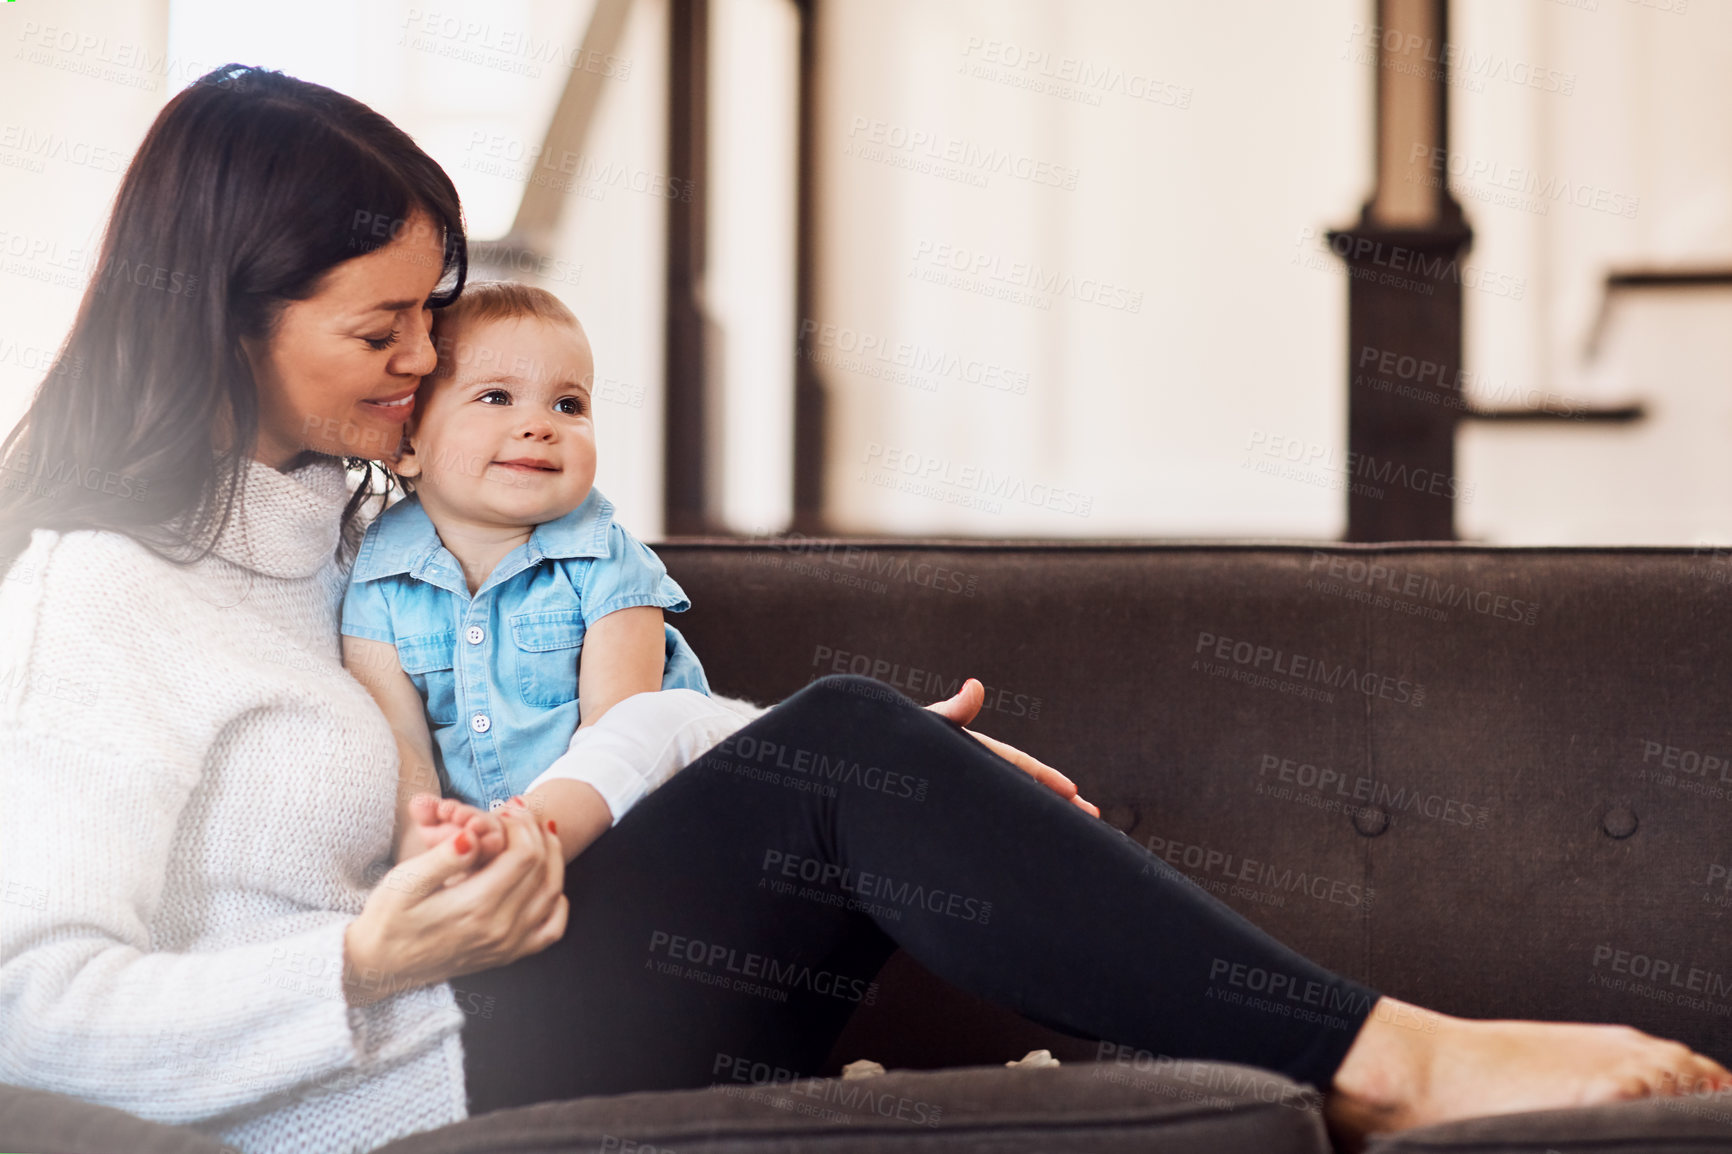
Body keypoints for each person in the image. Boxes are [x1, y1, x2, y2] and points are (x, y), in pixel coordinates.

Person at [0, 64, 1724, 1154]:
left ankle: (1350, 1046)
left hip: (477, 1014)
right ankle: (1397, 1053)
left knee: (853, 748)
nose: (419, 367)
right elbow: (31, 1004)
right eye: (381, 329)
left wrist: (913, 774)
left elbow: (575, 744)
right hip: (406, 1080)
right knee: (840, 750)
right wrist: (355, 962)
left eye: (427, 323)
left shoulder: (337, 549)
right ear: (227, 312)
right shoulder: (104, 592)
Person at [337, 280, 725, 865]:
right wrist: (424, 843)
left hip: (634, 835)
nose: (541, 425)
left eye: (569, 405)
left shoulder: (607, 559)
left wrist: (530, 839)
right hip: (490, 854)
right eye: (496, 397)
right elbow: (400, 744)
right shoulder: (377, 579)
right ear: (407, 444)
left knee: (801, 737)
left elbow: (618, 733)